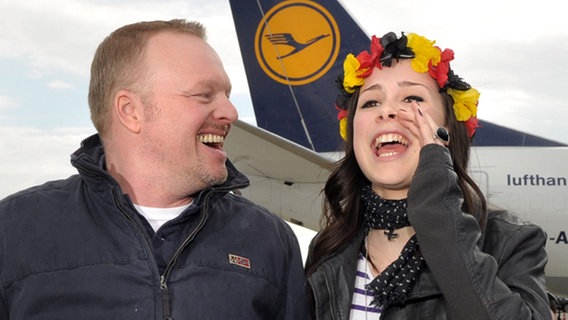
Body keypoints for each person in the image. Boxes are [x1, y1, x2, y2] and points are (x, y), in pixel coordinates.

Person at [0, 19, 308, 319]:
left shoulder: (270, 240)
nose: (230, 112)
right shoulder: (14, 229)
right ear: (130, 111)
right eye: (204, 94)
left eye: (226, 95)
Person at [305, 31, 551, 319]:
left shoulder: (510, 242)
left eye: (411, 98)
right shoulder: (328, 250)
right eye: (371, 102)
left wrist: (436, 206)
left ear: (448, 128)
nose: (387, 111)